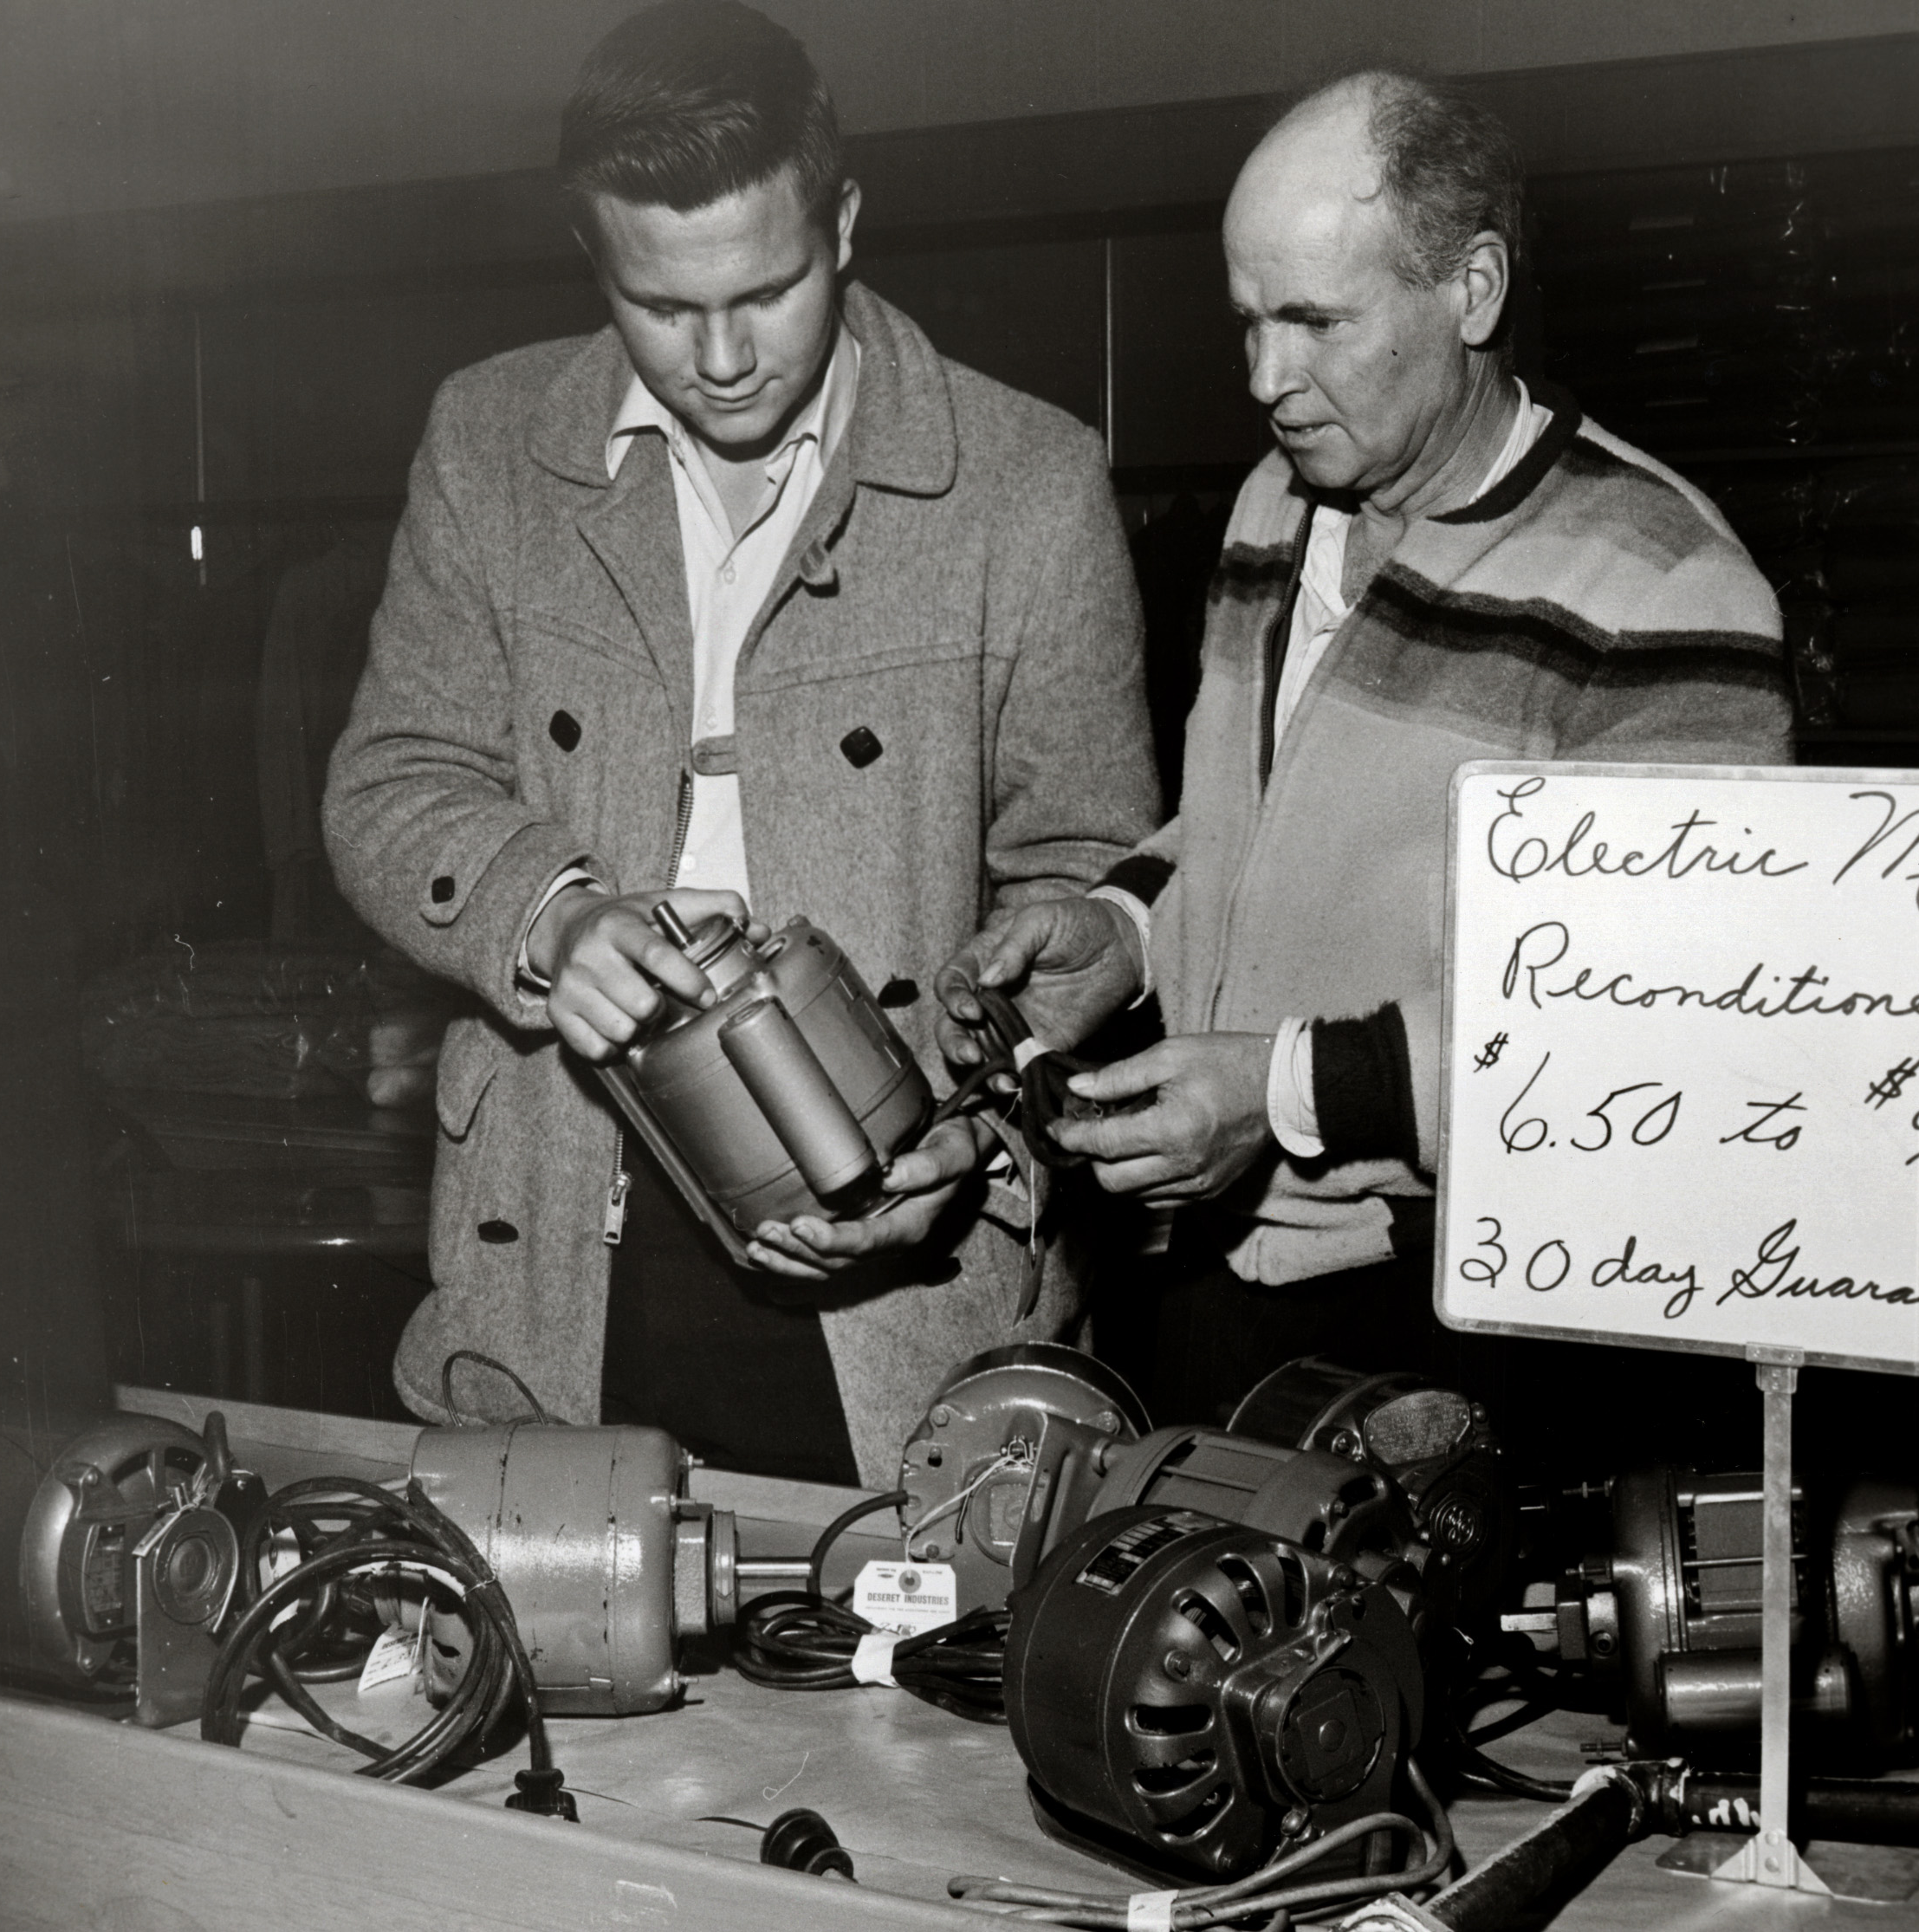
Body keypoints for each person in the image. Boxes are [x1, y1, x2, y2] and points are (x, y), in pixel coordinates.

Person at [322, 1, 1156, 1482]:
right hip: (560, 1237)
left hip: (902, 1269)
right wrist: (551, 915)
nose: (718, 359)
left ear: (844, 222)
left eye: (766, 292)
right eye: (658, 304)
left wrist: (979, 1142)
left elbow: (1092, 897)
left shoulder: (1028, 486)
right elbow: (390, 783)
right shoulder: (488, 443)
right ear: (591, 256)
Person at [940, 73, 1793, 1425]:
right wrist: (1125, 930)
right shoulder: (1274, 506)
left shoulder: (1666, 583)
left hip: (1464, 1323)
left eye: (1316, 322)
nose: (1266, 380)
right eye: (1249, 320)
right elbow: (1253, 824)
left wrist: (1280, 1093)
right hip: (1210, 1288)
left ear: (1473, 291)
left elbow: (1659, 1025)